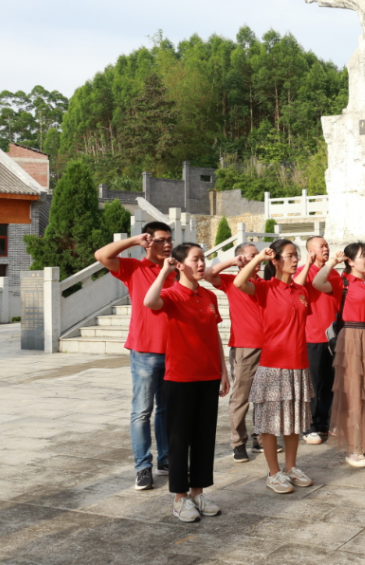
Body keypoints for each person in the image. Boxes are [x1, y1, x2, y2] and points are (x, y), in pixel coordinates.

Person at [142, 243, 229, 522]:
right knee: (180, 440)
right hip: (180, 377)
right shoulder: (171, 295)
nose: (202, 264)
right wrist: (163, 271)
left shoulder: (208, 296)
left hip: (208, 375)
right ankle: (180, 499)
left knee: (204, 438)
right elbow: (149, 302)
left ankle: (197, 492)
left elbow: (213, 334)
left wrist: (224, 369)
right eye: (196, 259)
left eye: (203, 259)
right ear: (180, 265)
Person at [94, 221, 175, 491]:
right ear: (148, 241)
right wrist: (132, 241)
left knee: (166, 411)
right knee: (142, 411)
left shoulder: (173, 270)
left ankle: (165, 460)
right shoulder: (134, 268)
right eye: (161, 240)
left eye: (169, 240)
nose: (167, 245)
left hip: (174, 350)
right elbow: (102, 256)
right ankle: (143, 467)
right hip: (145, 351)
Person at [234, 239, 315, 494]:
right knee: (269, 422)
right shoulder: (265, 288)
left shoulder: (301, 291)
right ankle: (273, 472)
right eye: (290, 256)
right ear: (276, 260)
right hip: (273, 364)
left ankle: (291, 468)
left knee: (293, 421)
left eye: (296, 255)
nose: (295, 259)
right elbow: (238, 283)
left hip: (298, 364)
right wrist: (258, 259)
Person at [313, 243, 365, 468]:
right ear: (350, 261)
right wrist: (332, 263)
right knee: (353, 394)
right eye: (364, 256)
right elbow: (317, 282)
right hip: (352, 338)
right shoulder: (342, 281)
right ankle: (353, 447)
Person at [203, 243, 266, 463]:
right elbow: (207, 274)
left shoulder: (264, 283)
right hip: (244, 346)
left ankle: (260, 437)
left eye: (258, 255)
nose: (257, 258)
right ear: (240, 258)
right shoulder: (231, 281)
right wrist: (231, 263)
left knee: (265, 396)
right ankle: (238, 443)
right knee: (241, 397)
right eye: (252, 255)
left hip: (269, 346)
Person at [293, 237, 341, 446]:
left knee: (330, 382)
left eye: (327, 246)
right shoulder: (304, 271)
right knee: (311, 383)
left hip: (331, 336)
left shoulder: (335, 273)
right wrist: (308, 263)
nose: (326, 249)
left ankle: (323, 421)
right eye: (321, 246)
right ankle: (308, 426)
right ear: (310, 250)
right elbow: (298, 285)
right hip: (310, 334)